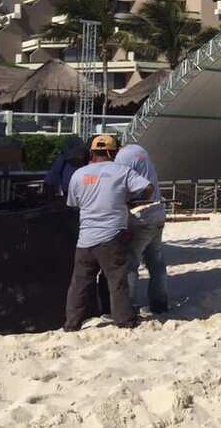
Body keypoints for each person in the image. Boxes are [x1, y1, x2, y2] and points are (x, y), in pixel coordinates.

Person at [64, 135, 152, 331]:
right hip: (112, 237)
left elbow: (72, 203)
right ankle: (124, 320)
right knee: (117, 280)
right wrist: (130, 199)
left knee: (79, 283)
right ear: (113, 152)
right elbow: (148, 187)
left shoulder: (78, 174)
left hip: (85, 239)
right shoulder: (122, 171)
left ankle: (72, 323)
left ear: (92, 152)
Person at [116, 143, 168, 314]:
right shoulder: (140, 151)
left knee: (130, 263)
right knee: (156, 262)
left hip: (141, 218)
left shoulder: (122, 157)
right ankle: (160, 303)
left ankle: (128, 306)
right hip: (158, 213)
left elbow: (118, 183)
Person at [44, 136, 88, 201]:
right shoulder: (61, 161)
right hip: (67, 200)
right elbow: (49, 183)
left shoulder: (90, 163)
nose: (75, 160)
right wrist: (52, 202)